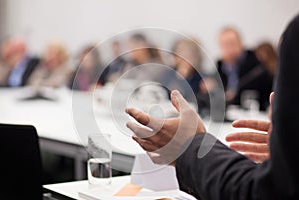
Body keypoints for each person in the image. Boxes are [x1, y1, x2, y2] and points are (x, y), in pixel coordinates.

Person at [126, 15, 299, 199]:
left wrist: (192, 145)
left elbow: (264, 193)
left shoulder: (255, 66)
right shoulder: (218, 66)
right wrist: (290, 154)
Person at [217, 27, 272, 110]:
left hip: (254, 113)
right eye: (224, 45)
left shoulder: (255, 64)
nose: (228, 49)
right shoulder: (220, 66)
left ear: (240, 43)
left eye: (231, 44)